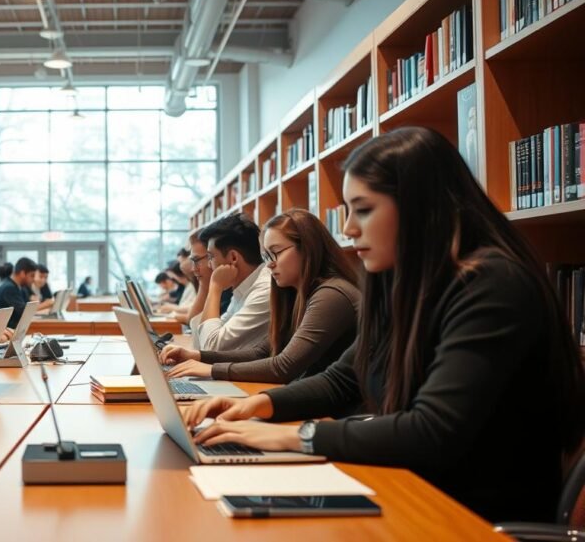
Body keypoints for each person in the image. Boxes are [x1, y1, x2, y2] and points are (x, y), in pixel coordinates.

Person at [182, 127, 585, 523]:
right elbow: (343, 379)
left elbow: (433, 430)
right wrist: (259, 405)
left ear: (420, 206)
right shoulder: (404, 285)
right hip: (412, 489)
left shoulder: (491, 285)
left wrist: (296, 436)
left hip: (467, 515)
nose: (348, 229)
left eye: (364, 209)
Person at [162, 209, 360, 383]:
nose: (269, 264)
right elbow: (262, 352)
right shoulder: (294, 294)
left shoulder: (331, 295)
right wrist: (197, 356)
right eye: (266, 256)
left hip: (336, 413)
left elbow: (284, 366)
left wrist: (213, 369)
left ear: (307, 248)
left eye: (275, 253)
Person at [187, 213, 272, 352]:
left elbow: (210, 348)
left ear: (233, 257)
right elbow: (200, 344)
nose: (209, 265)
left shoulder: (264, 290)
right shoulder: (243, 286)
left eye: (211, 257)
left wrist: (215, 287)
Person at [0, 256, 35, 326]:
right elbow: (24, 312)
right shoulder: (9, 288)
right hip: (4, 330)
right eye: (32, 276)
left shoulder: (18, 287)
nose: (33, 279)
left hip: (10, 328)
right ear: (22, 273)